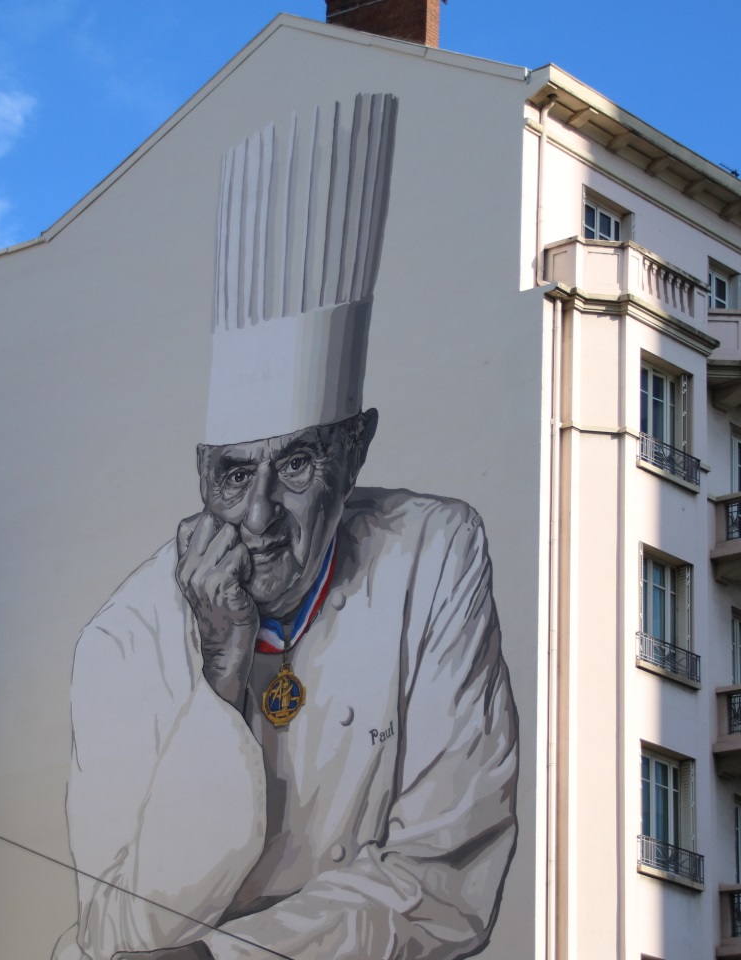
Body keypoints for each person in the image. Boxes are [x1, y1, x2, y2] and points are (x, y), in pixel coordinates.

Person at [57, 95, 519, 960]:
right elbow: (124, 930)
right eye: (234, 474)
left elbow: (444, 881)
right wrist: (220, 679)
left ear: (355, 449)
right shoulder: (122, 637)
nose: (259, 515)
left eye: (297, 464)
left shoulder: (433, 553)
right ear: (202, 471)